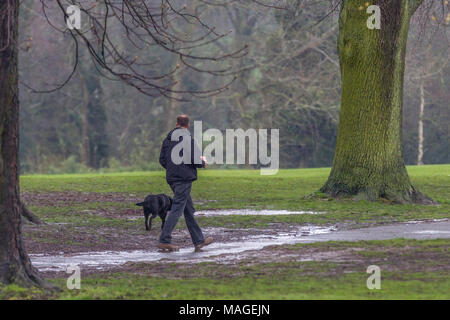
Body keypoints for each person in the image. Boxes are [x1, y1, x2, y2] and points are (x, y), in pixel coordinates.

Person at [158, 114, 213, 252]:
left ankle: (199, 241)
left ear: (177, 124)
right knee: (177, 209)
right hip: (184, 179)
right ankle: (164, 240)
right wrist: (203, 163)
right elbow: (195, 159)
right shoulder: (188, 139)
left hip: (172, 178)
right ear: (188, 125)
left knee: (188, 210)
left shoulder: (167, 140)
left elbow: (162, 160)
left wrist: (173, 169)